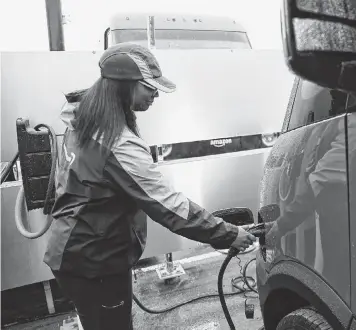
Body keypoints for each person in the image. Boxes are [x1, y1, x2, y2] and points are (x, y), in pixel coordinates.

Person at [43, 42, 256, 330]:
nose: (156, 94)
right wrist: (227, 234)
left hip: (75, 251)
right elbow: (167, 204)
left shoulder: (81, 120)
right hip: (93, 262)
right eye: (150, 87)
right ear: (124, 85)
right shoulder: (115, 143)